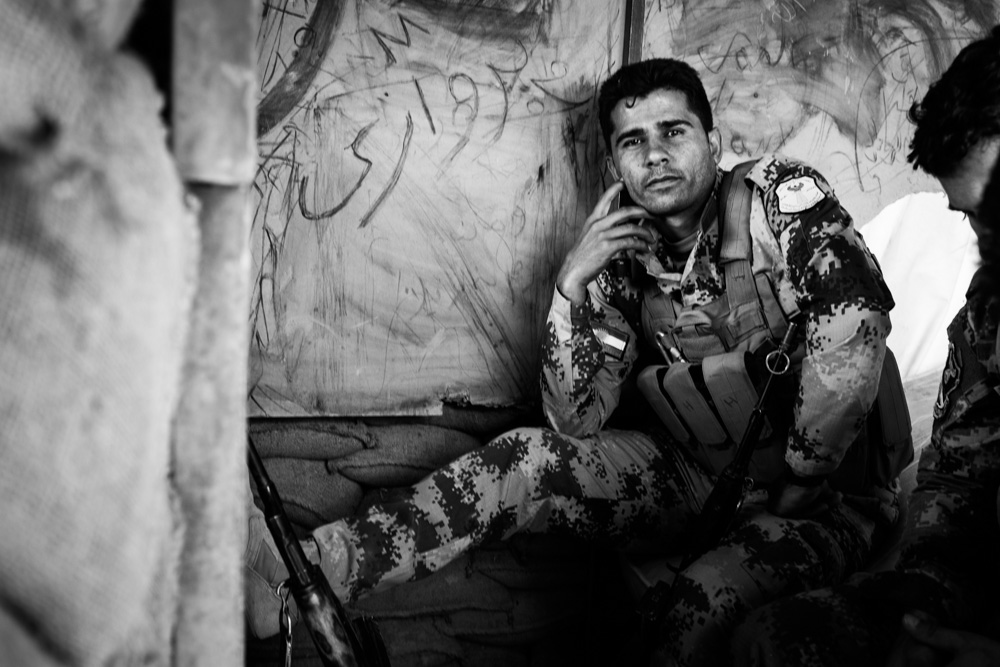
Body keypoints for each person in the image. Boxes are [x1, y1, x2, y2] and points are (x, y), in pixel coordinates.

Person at [246, 57, 911, 667]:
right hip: (699, 472)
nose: (654, 155)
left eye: (673, 131)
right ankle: (306, 570)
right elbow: (574, 423)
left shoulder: (776, 197)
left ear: (711, 140)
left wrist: (804, 477)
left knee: (694, 608)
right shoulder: (620, 251)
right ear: (616, 162)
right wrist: (571, 285)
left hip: (826, 496)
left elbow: (853, 322)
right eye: (631, 142)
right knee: (521, 461)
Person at [730, 26, 1000, 667]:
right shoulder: (991, 306)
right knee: (770, 641)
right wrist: (925, 605)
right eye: (972, 216)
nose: (991, 242)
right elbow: (960, 475)